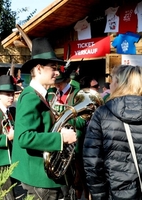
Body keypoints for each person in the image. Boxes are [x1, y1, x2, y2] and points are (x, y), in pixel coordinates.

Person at [11, 38, 77, 199]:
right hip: (39, 176)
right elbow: (24, 137)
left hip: (40, 174)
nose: (57, 72)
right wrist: (61, 138)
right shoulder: (30, 97)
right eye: (53, 68)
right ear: (39, 68)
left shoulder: (38, 95)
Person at [83, 65, 142, 199]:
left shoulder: (102, 113)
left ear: (119, 84)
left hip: (115, 192)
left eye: (112, 81)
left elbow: (92, 163)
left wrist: (99, 196)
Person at [47, 67, 89, 200]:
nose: (57, 85)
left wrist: (64, 120)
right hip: (59, 143)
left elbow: (83, 122)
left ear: (67, 80)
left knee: (80, 180)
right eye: (56, 83)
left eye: (60, 82)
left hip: (75, 145)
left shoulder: (77, 94)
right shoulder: (52, 93)